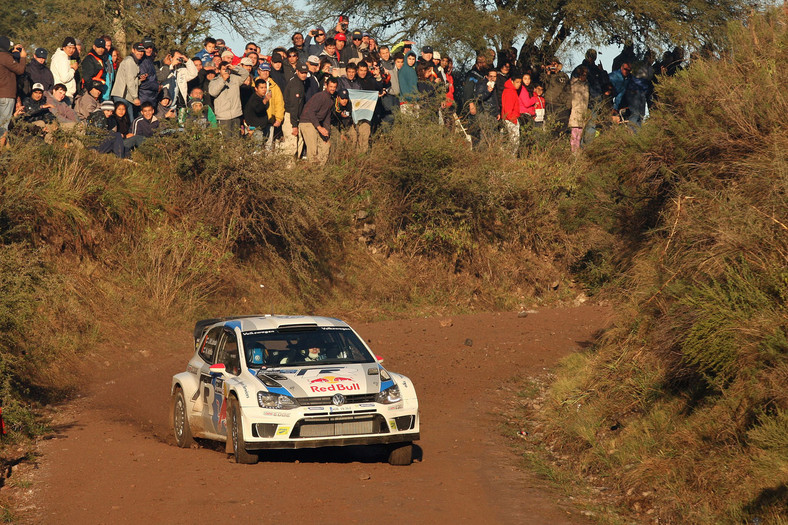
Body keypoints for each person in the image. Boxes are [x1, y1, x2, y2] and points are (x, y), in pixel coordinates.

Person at [298, 76, 337, 164]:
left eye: (334, 87)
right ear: (326, 85)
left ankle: (320, 169)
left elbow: (327, 117)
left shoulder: (331, 100)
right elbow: (311, 112)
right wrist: (319, 128)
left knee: (325, 146)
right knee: (313, 147)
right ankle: (312, 171)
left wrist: (327, 133)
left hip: (316, 123)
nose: (332, 89)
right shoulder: (320, 96)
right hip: (307, 121)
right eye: (331, 86)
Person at [208, 60, 249, 133]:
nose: (226, 71)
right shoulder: (214, 81)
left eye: (227, 69)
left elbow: (246, 74)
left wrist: (234, 68)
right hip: (223, 116)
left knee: (236, 140)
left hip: (236, 114)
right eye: (224, 69)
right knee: (225, 141)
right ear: (219, 70)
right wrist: (223, 80)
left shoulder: (235, 78)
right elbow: (213, 93)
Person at [0, 36, 26, 148]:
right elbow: (20, 70)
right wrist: (23, 57)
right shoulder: (5, 57)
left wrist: (12, 53)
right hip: (6, 95)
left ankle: (6, 149)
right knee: (3, 126)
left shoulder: (4, 57)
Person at [111, 42, 145, 117]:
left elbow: (131, 79)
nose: (140, 53)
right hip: (123, 96)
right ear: (133, 50)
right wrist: (135, 97)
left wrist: (139, 80)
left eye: (142, 51)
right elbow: (130, 81)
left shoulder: (134, 62)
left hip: (126, 96)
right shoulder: (130, 61)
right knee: (127, 121)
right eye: (138, 51)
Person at [282, 62, 308, 156]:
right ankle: (287, 169)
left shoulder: (299, 82)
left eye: (305, 72)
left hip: (296, 117)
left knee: (298, 142)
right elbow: (294, 106)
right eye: (302, 72)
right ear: (297, 71)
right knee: (291, 146)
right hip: (291, 117)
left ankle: (294, 167)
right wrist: (294, 125)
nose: (304, 74)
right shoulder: (295, 85)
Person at [243, 78, 272, 148]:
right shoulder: (254, 98)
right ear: (256, 88)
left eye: (265, 87)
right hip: (255, 128)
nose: (264, 90)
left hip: (261, 127)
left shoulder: (261, 97)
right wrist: (265, 100)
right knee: (257, 149)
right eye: (261, 88)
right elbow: (258, 109)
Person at [568, 66, 589, 153]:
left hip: (583, 112)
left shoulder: (586, 85)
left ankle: (577, 151)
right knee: (574, 133)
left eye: (586, 75)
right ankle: (573, 152)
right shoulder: (573, 84)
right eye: (582, 74)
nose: (584, 76)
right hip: (575, 111)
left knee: (579, 134)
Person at [500, 75, 521, 151]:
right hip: (511, 119)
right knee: (514, 142)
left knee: (510, 141)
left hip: (510, 119)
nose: (519, 84)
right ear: (512, 81)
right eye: (517, 82)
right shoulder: (510, 92)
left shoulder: (511, 90)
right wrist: (514, 120)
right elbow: (508, 110)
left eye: (520, 82)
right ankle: (511, 160)